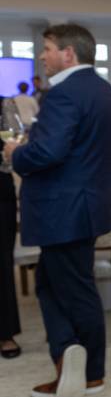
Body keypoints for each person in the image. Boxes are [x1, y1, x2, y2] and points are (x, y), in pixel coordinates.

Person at [3, 23, 111, 397]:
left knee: (69, 288)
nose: (42, 56)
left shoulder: (64, 93)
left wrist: (16, 154)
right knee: (56, 284)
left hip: (62, 208)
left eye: (48, 48)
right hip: (86, 205)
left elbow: (48, 152)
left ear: (68, 53)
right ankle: (73, 358)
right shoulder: (104, 91)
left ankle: (85, 368)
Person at [0, 97, 21, 359]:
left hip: (0, 188)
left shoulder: (4, 105)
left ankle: (5, 332)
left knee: (2, 262)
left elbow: (13, 141)